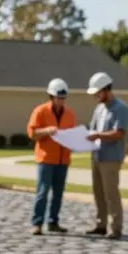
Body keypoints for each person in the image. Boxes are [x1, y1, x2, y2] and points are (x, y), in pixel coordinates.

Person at [26, 78, 76, 235]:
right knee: (42, 192)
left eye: (63, 98)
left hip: (63, 160)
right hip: (46, 159)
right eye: (58, 97)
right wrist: (47, 131)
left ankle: (53, 222)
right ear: (51, 96)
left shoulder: (69, 113)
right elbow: (32, 133)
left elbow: (71, 134)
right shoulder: (40, 111)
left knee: (58, 194)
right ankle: (37, 223)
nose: (61, 101)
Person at [85, 71, 128, 239]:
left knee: (111, 193)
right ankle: (100, 224)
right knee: (98, 192)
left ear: (106, 89)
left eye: (97, 92)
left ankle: (115, 228)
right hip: (97, 156)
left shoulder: (121, 108)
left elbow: (119, 133)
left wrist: (98, 136)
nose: (96, 96)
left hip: (111, 158)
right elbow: (92, 128)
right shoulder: (98, 109)